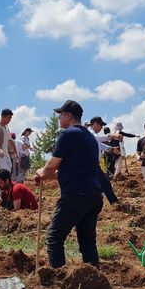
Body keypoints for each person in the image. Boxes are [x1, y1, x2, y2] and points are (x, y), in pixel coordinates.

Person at [35, 100, 105, 268]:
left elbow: (51, 166)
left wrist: (42, 173)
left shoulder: (69, 134)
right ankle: (93, 280)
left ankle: (58, 282)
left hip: (76, 194)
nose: (59, 119)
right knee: (87, 242)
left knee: (54, 237)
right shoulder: (89, 137)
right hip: (94, 195)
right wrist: (47, 175)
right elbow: (72, 170)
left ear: (67, 115)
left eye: (60, 115)